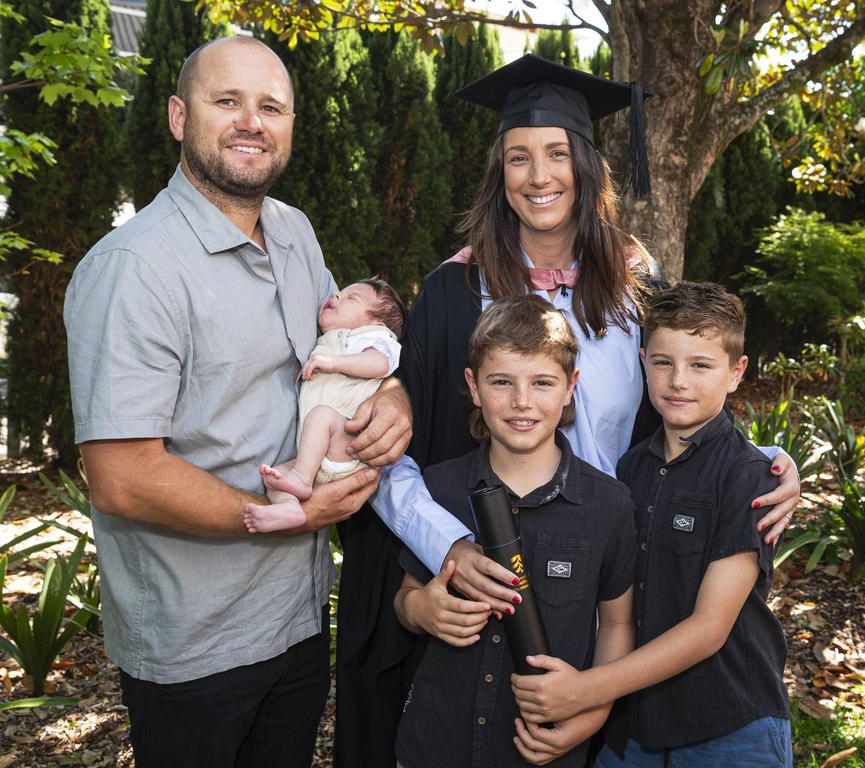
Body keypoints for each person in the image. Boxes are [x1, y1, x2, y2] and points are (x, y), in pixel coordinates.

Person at [334, 55, 800, 767]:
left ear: (587, 165)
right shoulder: (455, 293)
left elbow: (689, 391)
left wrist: (767, 464)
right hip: (484, 577)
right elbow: (404, 456)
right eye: (518, 157)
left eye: (557, 153)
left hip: (615, 585)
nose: (539, 175)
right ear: (500, 174)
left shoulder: (635, 290)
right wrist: (449, 548)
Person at [64, 37, 410, 768]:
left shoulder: (294, 233)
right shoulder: (134, 269)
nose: (252, 121)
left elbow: (354, 341)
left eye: (271, 107)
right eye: (228, 101)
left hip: (299, 616)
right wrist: (284, 516)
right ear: (178, 116)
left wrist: (396, 391)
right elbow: (121, 475)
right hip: (198, 643)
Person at [511, 282, 791, 767]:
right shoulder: (629, 470)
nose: (678, 380)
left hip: (728, 723)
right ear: (643, 362)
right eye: (663, 362)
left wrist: (583, 690)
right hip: (634, 727)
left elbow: (708, 629)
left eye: (701, 365)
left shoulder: (748, 475)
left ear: (736, 372)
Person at [394, 295, 637, 768]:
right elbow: (406, 597)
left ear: (571, 387)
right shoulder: (437, 489)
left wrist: (593, 710)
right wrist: (422, 610)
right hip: (438, 743)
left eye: (542, 382)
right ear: (474, 386)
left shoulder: (609, 505)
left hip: (543, 751)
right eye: (501, 382)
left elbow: (617, 623)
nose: (521, 401)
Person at [245, 279, 406, 533]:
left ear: (377, 322)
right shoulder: (330, 340)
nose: (338, 296)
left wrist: (332, 362)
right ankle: (290, 508)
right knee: (275, 476)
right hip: (316, 456)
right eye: (340, 293)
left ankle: (301, 479)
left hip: (345, 442)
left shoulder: (374, 337)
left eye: (352, 298)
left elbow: (379, 364)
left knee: (322, 417)